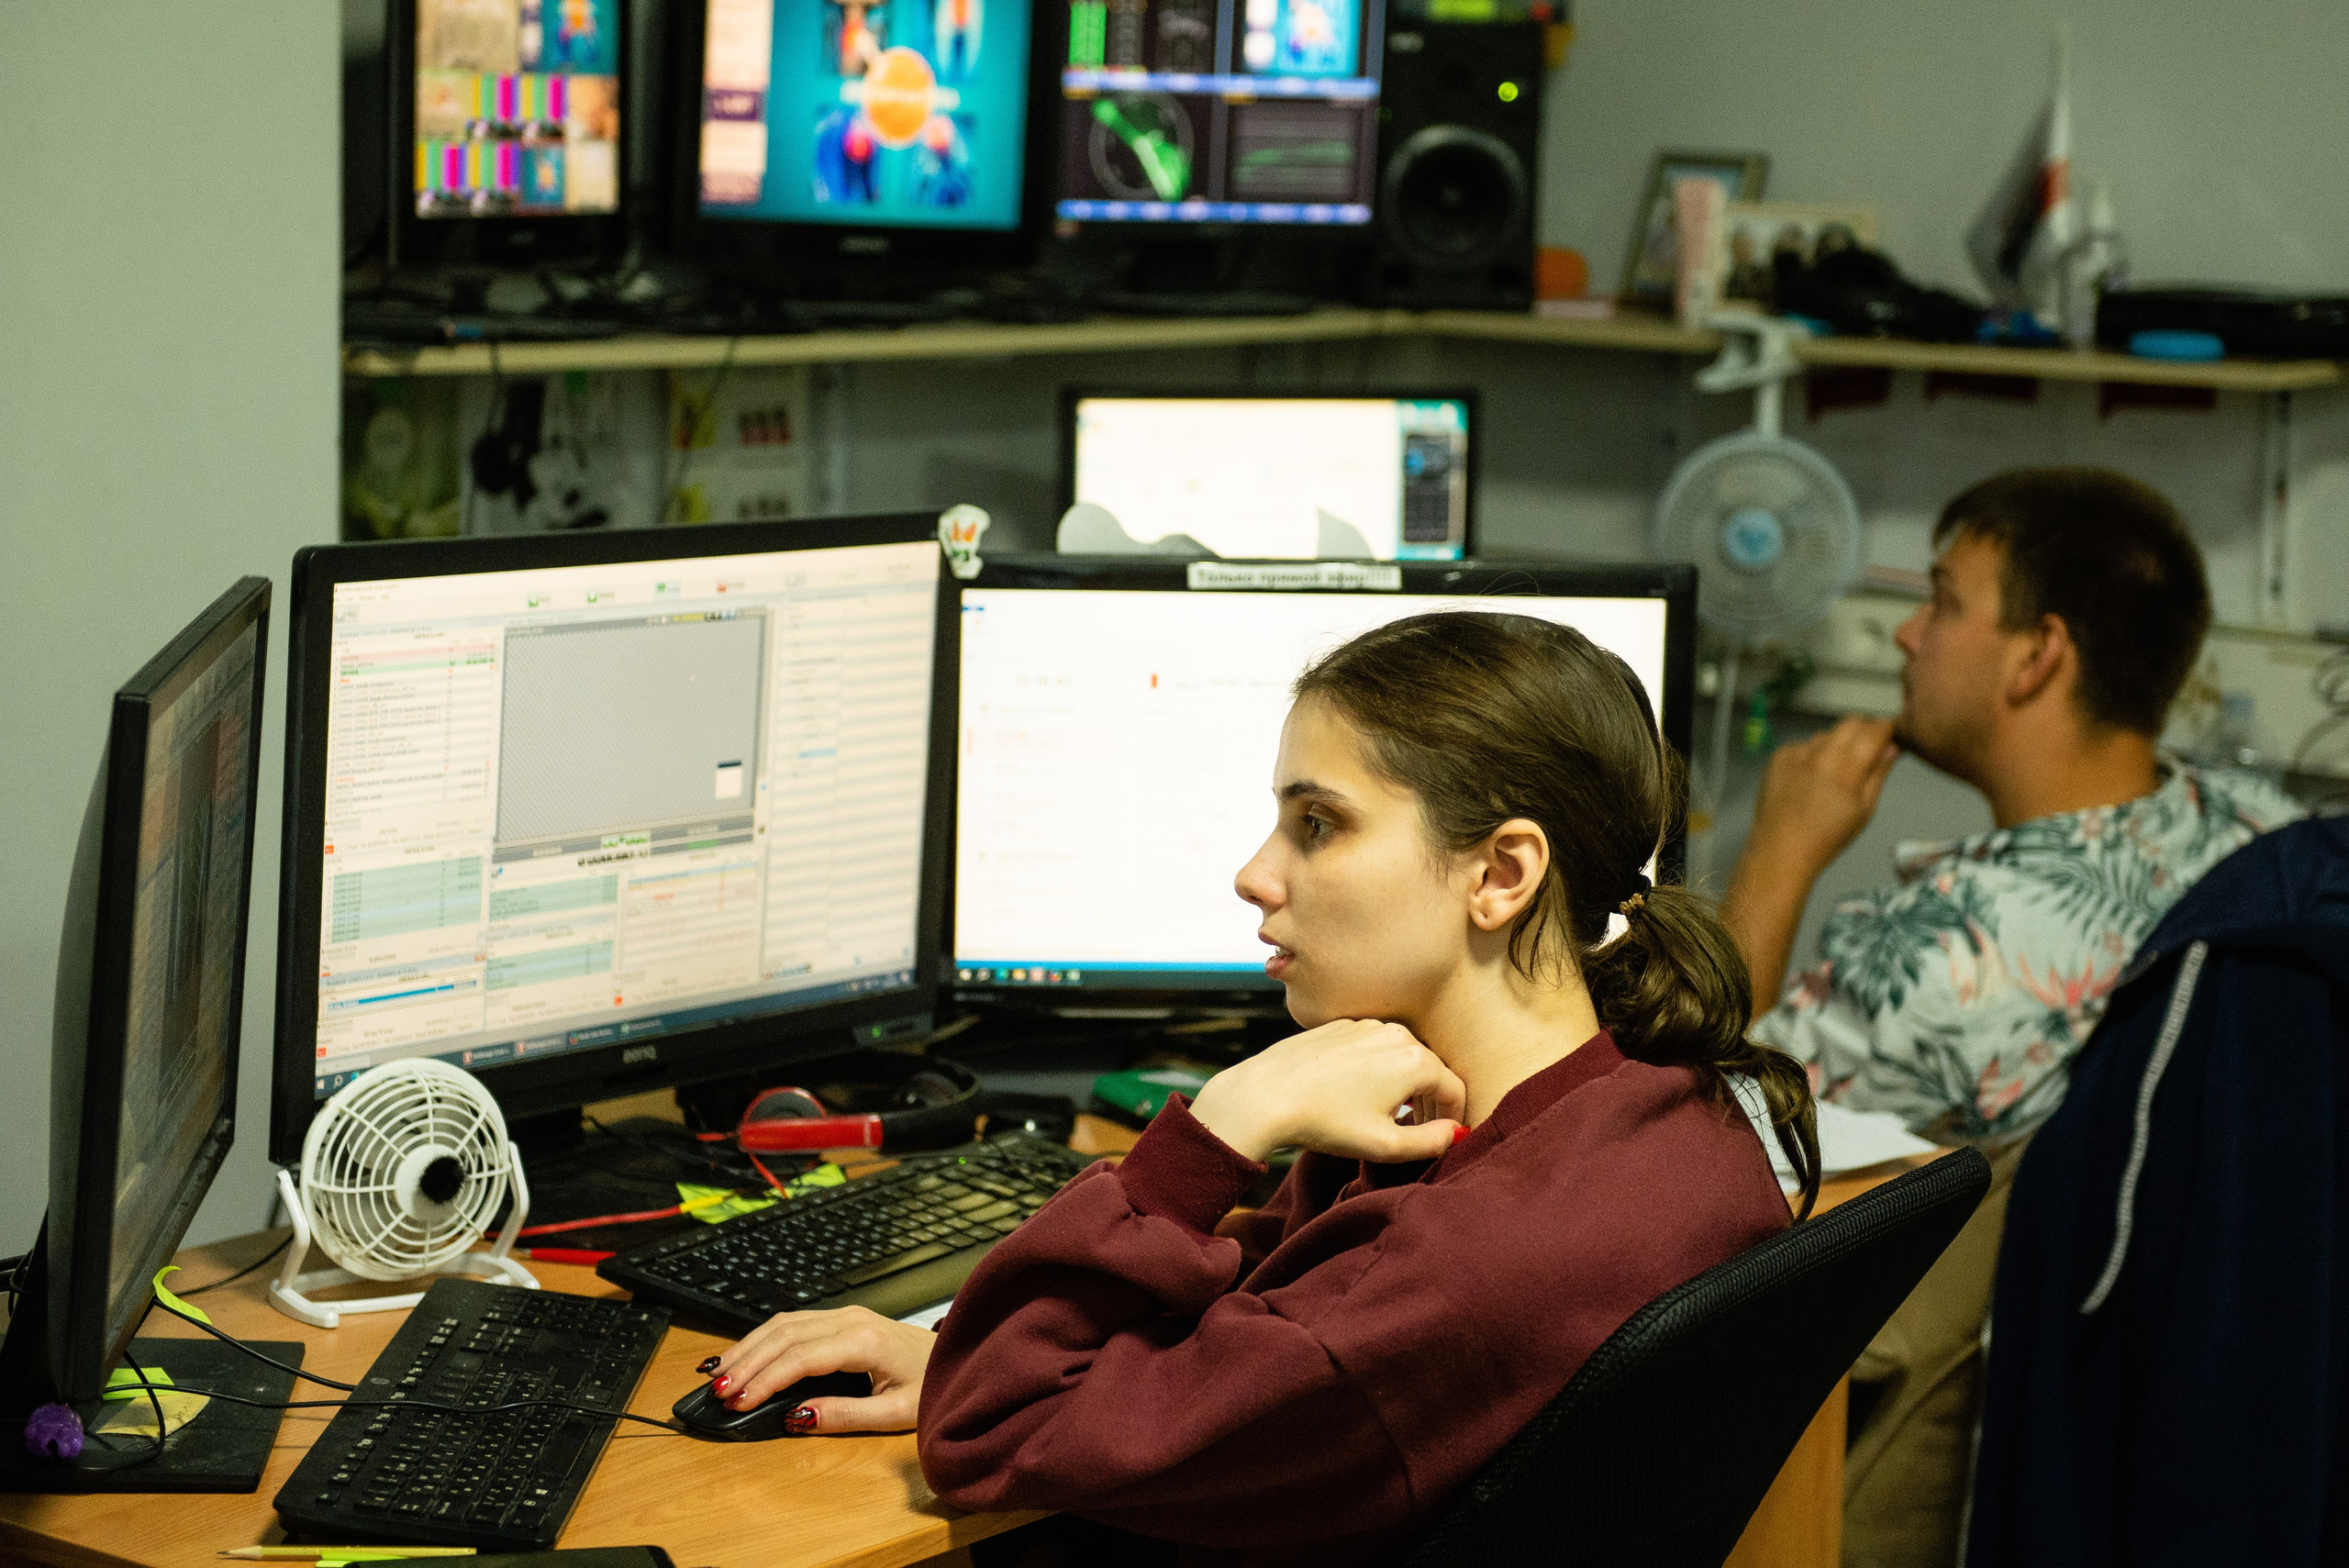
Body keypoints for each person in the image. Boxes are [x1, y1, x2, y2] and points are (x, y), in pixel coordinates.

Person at [701, 612, 1819, 1565]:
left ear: (1501, 873)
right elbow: (1275, 1299)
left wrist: (1225, 1121)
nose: (1254, 873)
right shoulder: (1670, 1112)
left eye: (1317, 823)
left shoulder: (1446, 1264)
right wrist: (965, 1352)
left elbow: (989, 1432)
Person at [1720, 466, 2304, 1568]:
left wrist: (1779, 851)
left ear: (2037, 655)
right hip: (2215, 1438)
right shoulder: (2266, 842)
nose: (1906, 634)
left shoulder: (1936, 960)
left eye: (1942, 600)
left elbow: (1699, 1143)